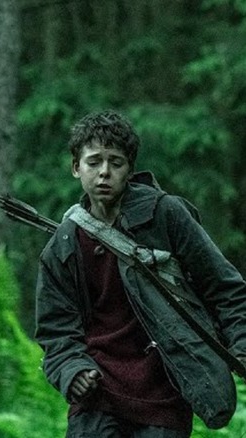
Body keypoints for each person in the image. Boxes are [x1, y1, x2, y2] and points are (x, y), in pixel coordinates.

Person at [34, 110, 246, 437]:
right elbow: (56, 330)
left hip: (165, 393)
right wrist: (73, 371)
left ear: (130, 169)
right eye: (94, 162)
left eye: (115, 163)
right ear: (76, 167)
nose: (104, 172)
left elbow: (226, 289)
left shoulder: (165, 215)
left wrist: (240, 345)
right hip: (98, 398)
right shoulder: (63, 247)